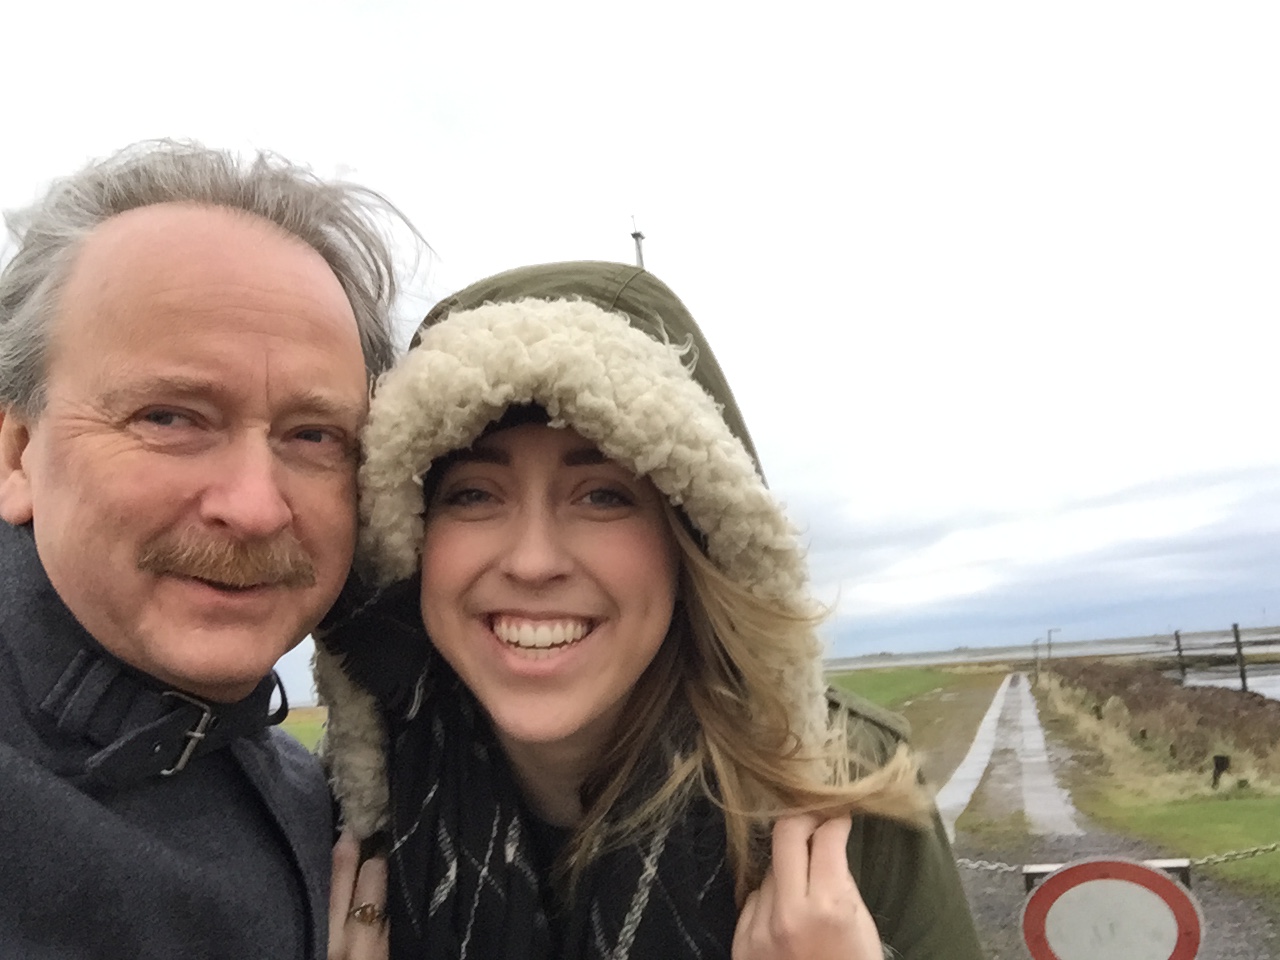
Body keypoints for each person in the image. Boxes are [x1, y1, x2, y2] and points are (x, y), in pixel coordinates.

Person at [316, 261, 985, 959]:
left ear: (694, 538)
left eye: (602, 495)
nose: (533, 561)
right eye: (474, 494)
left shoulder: (837, 794)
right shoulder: (350, 822)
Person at [0, 140, 413, 959]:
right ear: (17, 455)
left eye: (314, 435)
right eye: (169, 418)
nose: (254, 508)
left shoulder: (339, 816)